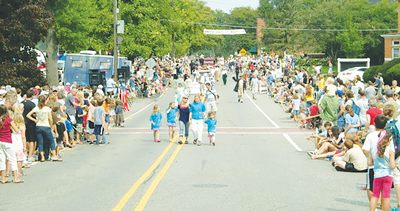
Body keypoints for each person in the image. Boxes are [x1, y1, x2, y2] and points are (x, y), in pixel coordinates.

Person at [26, 95, 61, 162]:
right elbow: (50, 119)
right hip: (46, 126)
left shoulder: (37, 108)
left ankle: (42, 157)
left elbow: (28, 115)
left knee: (40, 142)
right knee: (51, 141)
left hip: (38, 126)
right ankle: (54, 155)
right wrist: (50, 126)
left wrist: (35, 120)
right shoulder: (47, 109)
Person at [362, 115, 388, 203]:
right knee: (384, 188)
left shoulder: (370, 136)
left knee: (370, 187)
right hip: (385, 165)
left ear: (375, 124)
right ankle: (383, 205)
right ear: (385, 125)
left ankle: (374, 205)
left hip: (373, 165)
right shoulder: (388, 136)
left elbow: (365, 150)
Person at [368, 130, 396, 211]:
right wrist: (395, 166)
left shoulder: (373, 150)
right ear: (388, 140)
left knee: (375, 195)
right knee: (386, 196)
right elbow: (392, 165)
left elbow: (369, 163)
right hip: (388, 175)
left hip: (377, 175)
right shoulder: (390, 151)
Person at [0, 105, 23, 183]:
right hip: (7, 140)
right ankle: (16, 177)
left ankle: (3, 178)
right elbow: (16, 130)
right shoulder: (9, 119)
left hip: (0, 141)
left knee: (1, 159)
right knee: (12, 158)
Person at [22, 90, 37, 163]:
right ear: (32, 96)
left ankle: (27, 153)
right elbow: (34, 114)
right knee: (32, 140)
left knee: (26, 138)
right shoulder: (32, 104)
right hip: (31, 123)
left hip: (23, 122)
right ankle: (30, 155)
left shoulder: (22, 103)